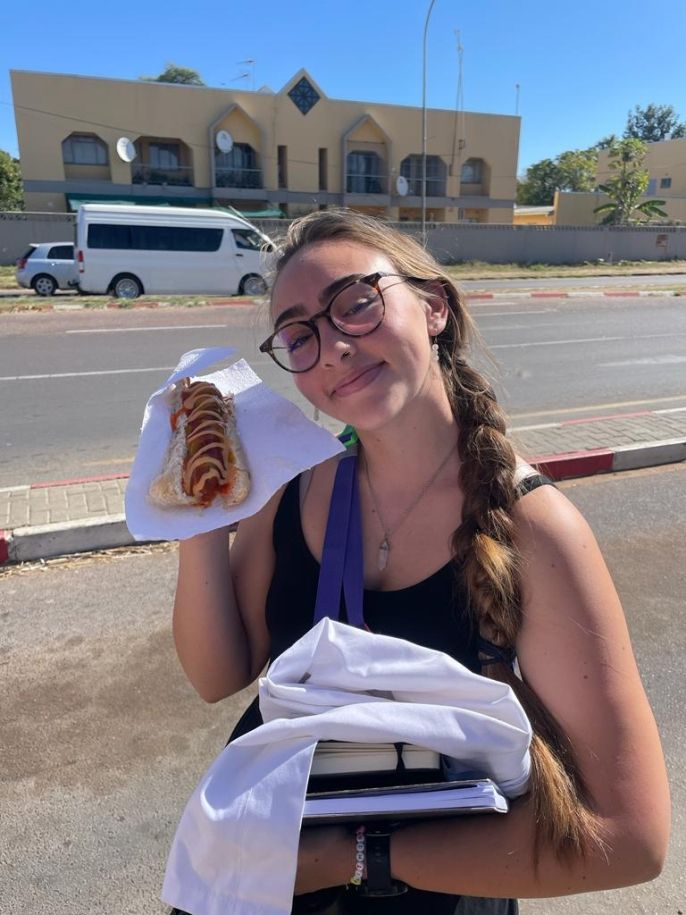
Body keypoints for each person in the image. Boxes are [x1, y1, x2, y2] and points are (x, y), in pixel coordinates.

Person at [170, 210, 669, 914]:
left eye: (357, 302)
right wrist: (198, 523)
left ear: (433, 306)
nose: (334, 345)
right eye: (299, 333)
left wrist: (352, 860)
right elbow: (218, 675)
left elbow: (631, 838)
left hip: (435, 891)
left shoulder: (537, 530)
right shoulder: (288, 491)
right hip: (261, 871)